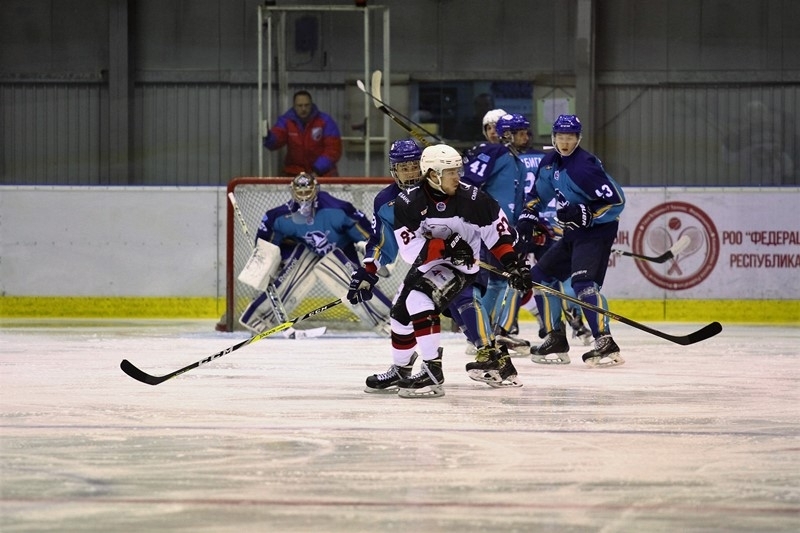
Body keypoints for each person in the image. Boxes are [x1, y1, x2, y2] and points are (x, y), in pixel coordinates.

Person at [348, 140, 523, 393]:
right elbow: (388, 244)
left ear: (425, 168)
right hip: (427, 264)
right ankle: (402, 368)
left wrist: (512, 262)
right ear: (394, 170)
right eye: (403, 168)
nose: (410, 173)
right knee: (401, 312)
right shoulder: (393, 202)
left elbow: (498, 231)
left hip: (462, 263)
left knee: (461, 303)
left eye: (413, 166)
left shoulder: (465, 194)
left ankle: (486, 358)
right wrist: (368, 270)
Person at [520, 115, 626, 367]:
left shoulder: (584, 167)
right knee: (540, 277)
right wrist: (528, 215)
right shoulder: (549, 163)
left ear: (578, 139)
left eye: (570, 137)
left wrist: (588, 213)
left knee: (583, 284)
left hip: (597, 233)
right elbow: (538, 196)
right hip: (573, 233)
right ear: (554, 138)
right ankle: (555, 338)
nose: (565, 142)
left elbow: (616, 202)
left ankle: (605, 341)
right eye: (561, 137)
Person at [239, 172, 391, 334]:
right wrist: (268, 261)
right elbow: (266, 246)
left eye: (307, 191)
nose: (304, 196)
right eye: (300, 192)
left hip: (341, 252)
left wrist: (377, 254)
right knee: (291, 274)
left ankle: (387, 320)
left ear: (316, 189)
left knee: (356, 283)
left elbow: (368, 234)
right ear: (292, 191)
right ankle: (260, 319)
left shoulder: (338, 209)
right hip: (306, 253)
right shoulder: (278, 217)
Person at [263, 90, 342, 177]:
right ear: (294, 106)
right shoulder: (286, 121)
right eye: (300, 106)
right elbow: (277, 137)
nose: (303, 109)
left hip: (323, 173)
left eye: (306, 105)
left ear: (311, 105)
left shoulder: (325, 121)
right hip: (295, 173)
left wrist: (318, 170)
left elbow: (333, 150)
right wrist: (268, 136)